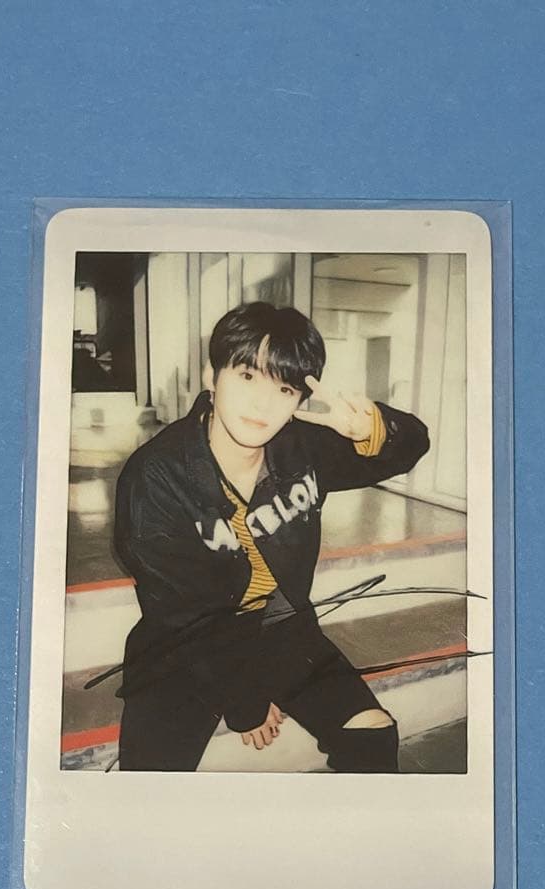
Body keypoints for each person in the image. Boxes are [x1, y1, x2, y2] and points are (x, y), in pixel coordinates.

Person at [113, 301, 430, 772]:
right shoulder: (157, 475)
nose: (263, 406)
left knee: (373, 734)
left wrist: (372, 428)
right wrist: (246, 703)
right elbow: (181, 615)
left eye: (284, 389)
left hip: (282, 627)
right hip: (184, 649)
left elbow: (410, 448)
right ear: (211, 376)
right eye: (246, 377)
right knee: (149, 780)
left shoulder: (299, 447)